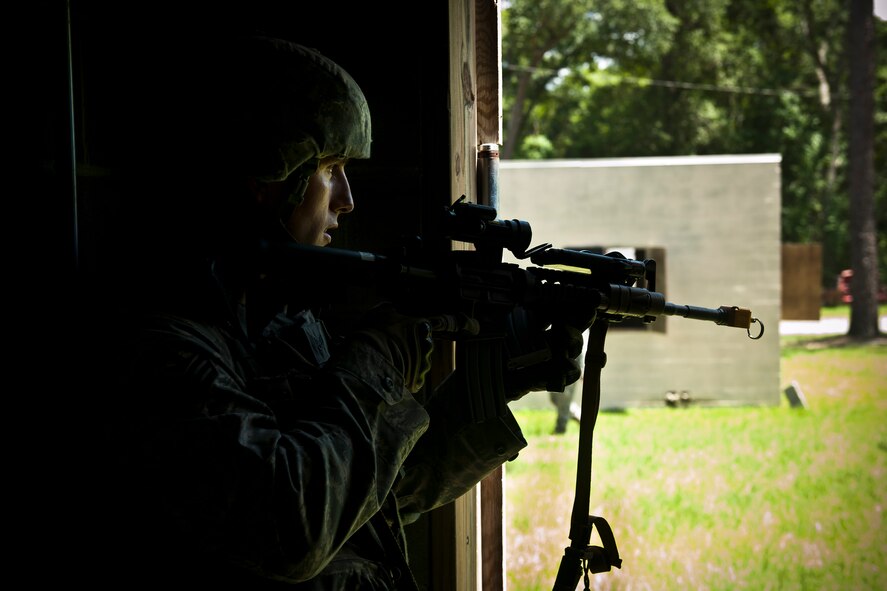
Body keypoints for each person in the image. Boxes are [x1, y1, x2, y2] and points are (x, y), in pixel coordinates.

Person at [72, 32, 591, 589]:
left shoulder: (277, 326)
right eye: (330, 167)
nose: (346, 198)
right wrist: (380, 356)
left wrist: (489, 391)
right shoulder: (158, 350)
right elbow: (289, 527)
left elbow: (373, 502)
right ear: (266, 180)